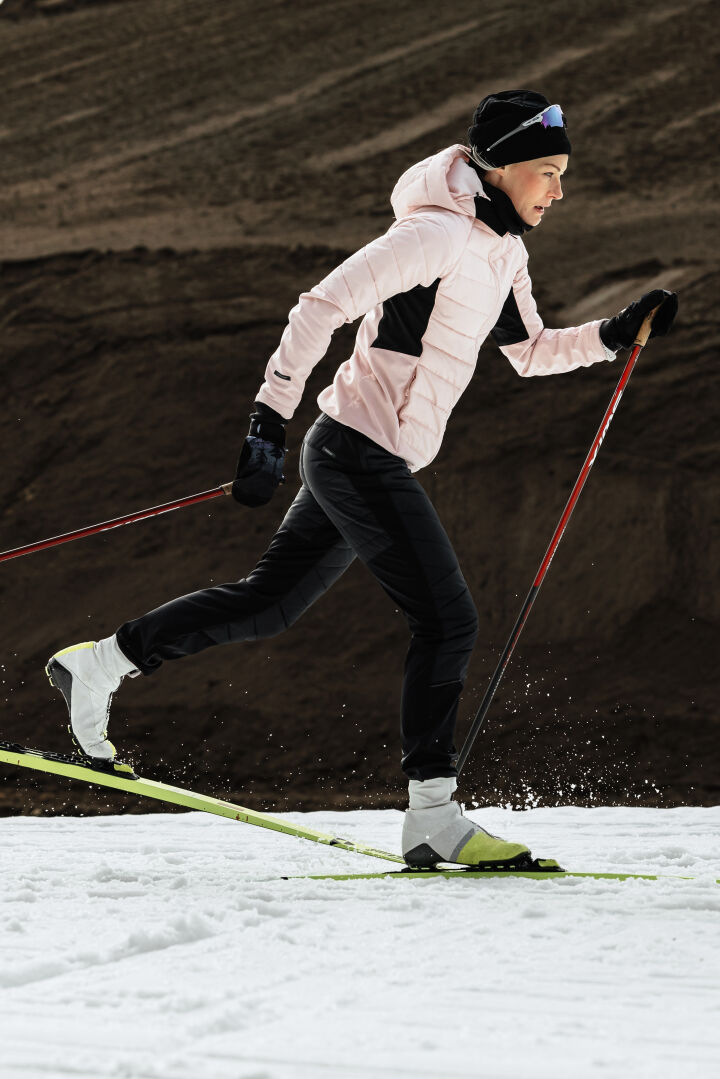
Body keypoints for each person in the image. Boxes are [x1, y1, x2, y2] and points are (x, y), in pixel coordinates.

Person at [46, 90, 677, 869]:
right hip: (355, 449)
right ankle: (433, 816)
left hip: (367, 453)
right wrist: (266, 420)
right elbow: (322, 304)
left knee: (269, 602)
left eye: (561, 174)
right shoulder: (433, 234)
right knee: (448, 621)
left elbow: (531, 349)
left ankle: (99, 662)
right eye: (547, 172)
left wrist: (615, 334)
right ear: (503, 165)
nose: (558, 190)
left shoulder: (502, 251)